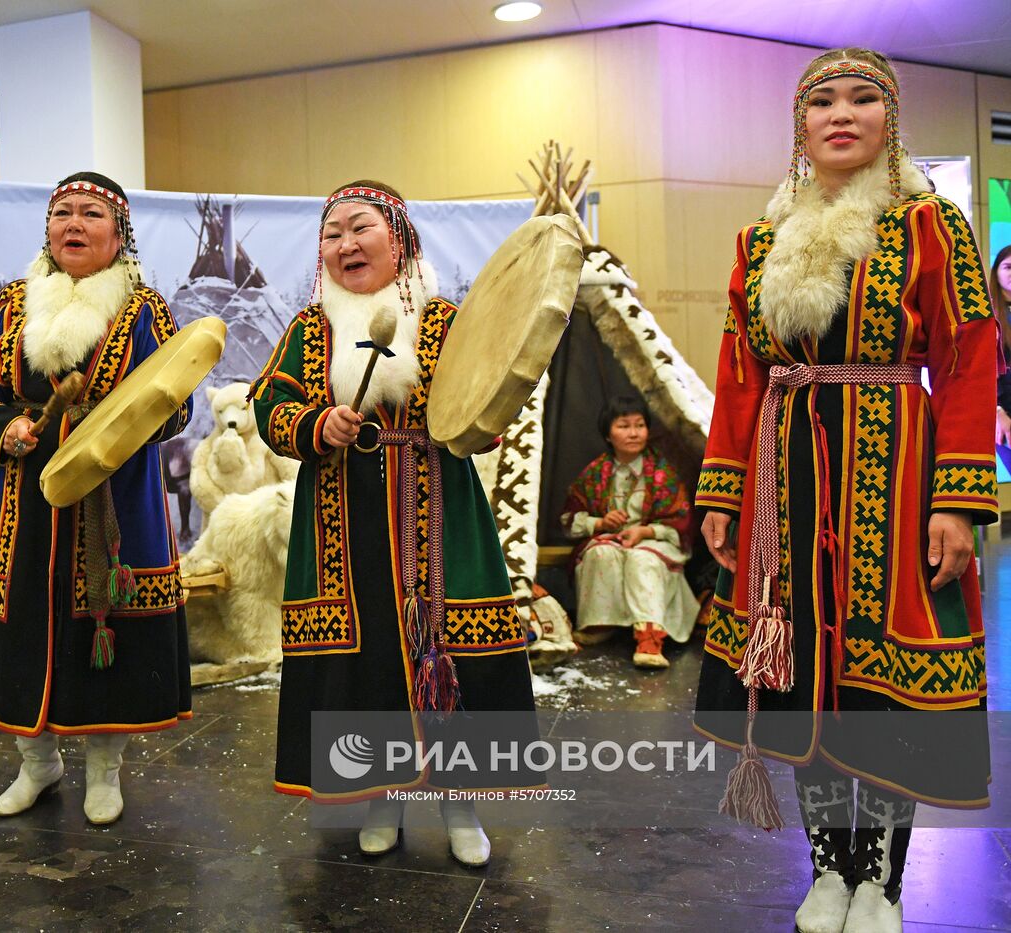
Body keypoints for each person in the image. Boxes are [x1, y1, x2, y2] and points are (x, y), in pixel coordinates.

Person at [692, 49, 996, 933]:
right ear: (801, 124)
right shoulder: (760, 241)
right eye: (821, 99)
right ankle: (828, 868)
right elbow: (740, 375)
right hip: (784, 480)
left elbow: (971, 360)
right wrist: (720, 486)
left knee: (881, 682)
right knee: (803, 676)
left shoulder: (932, 228)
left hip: (893, 470)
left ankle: (885, 882)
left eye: (864, 98)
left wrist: (958, 500)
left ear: (889, 119)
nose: (841, 113)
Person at [251, 181, 538, 867]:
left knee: (448, 658)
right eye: (331, 233)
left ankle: (460, 807)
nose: (345, 243)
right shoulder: (309, 329)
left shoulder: (444, 320)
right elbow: (269, 405)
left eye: (361, 227)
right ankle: (382, 799)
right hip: (342, 529)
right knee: (370, 662)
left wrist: (472, 421)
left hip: (440, 520)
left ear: (399, 237)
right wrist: (319, 422)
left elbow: (487, 403)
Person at [0, 171, 193, 824]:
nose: (74, 225)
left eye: (91, 214)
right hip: (25, 495)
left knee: (102, 626)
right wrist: (7, 427)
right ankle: (37, 764)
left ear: (119, 234)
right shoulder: (10, 303)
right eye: (63, 213)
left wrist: (118, 430)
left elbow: (179, 398)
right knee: (25, 620)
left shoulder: (147, 309)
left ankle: (105, 772)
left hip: (115, 498)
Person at [560, 395, 696, 669]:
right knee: (600, 553)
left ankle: (650, 634)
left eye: (640, 425)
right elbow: (568, 520)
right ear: (608, 434)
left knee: (641, 559)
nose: (634, 433)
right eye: (624, 426)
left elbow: (682, 522)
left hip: (654, 541)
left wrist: (645, 531)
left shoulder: (663, 473)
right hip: (612, 539)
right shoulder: (595, 473)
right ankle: (601, 623)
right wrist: (599, 523)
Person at [987, 245, 1011, 445]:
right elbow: (985, 368)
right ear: (996, 272)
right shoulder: (988, 315)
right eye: (1008, 267)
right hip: (1005, 414)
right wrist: (996, 410)